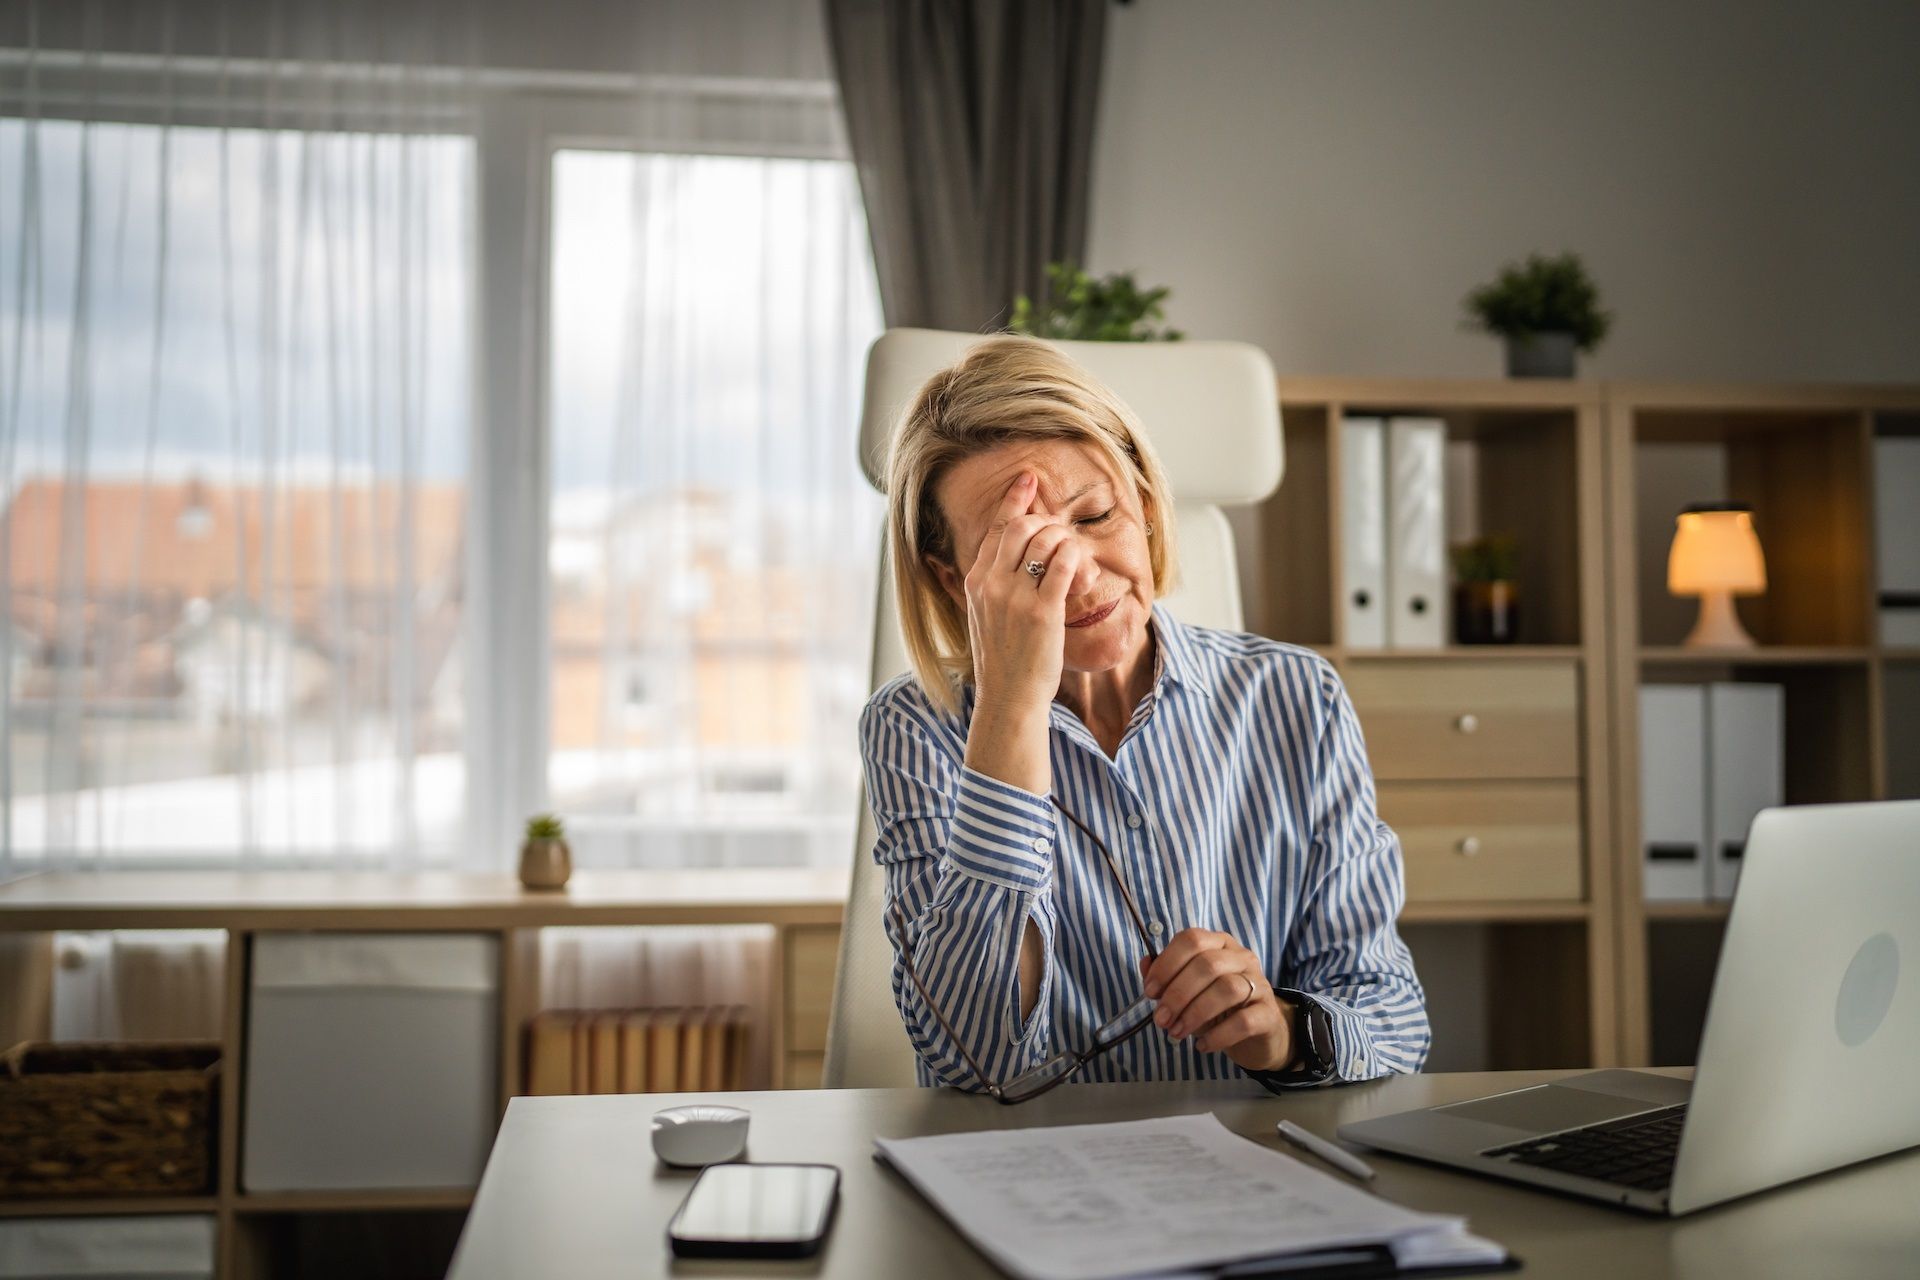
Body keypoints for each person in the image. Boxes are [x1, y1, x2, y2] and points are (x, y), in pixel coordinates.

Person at [861, 334, 1428, 1095]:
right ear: (953, 579)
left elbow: (1394, 1021)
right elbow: (971, 1061)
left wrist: (1285, 1030)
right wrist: (1010, 708)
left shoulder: (1298, 697)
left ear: (1148, 504)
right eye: (1024, 554)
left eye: (1095, 516)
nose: (1079, 577)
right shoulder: (913, 728)